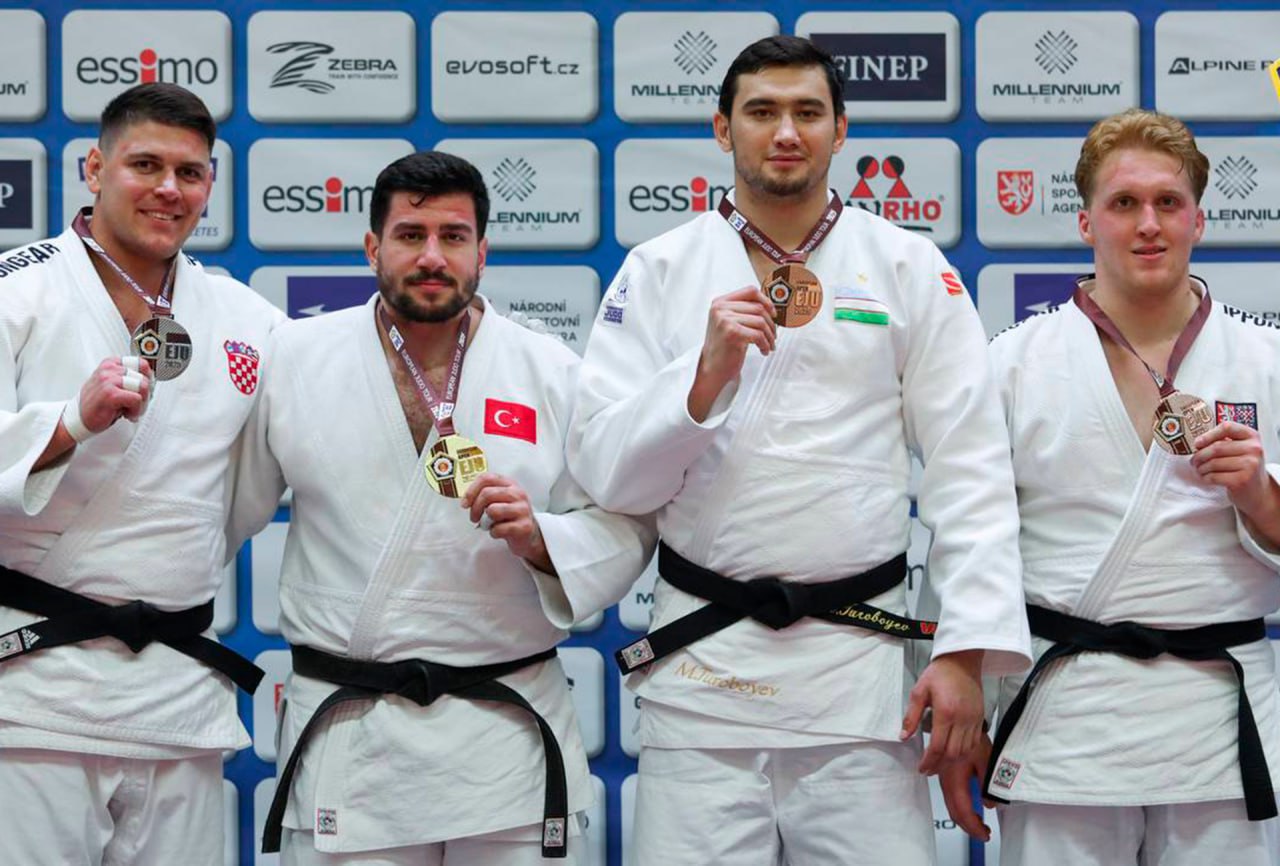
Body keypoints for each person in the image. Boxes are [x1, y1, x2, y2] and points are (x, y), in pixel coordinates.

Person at [568, 34, 1031, 865]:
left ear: (840, 130)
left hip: (859, 683)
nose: (786, 132)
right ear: (722, 129)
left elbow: (972, 473)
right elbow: (608, 475)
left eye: (808, 112)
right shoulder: (660, 270)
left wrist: (963, 653)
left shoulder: (906, 266)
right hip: (704, 680)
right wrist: (699, 381)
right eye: (762, 112)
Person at [226, 150, 655, 865]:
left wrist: (543, 539)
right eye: (410, 235)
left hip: (504, 741)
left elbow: (625, 524)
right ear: (373, 247)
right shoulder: (295, 359)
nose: (432, 256)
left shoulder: (549, 371)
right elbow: (222, 510)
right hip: (355, 737)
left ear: (482, 252)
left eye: (453, 237)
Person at [976, 108, 1280, 865]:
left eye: (1168, 203)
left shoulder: (1267, 358)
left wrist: (1258, 495)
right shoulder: (1012, 363)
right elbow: (969, 542)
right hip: (1069, 721)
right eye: (1124, 203)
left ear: (1199, 220)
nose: (1148, 224)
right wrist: (959, 696)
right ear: (1086, 222)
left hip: (1215, 725)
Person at [0, 82, 283, 864]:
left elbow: (322, 417)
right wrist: (70, 421)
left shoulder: (244, 316)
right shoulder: (16, 290)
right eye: (145, 165)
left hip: (177, 697)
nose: (169, 188)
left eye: (189, 173)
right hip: (34, 691)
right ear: (94, 169)